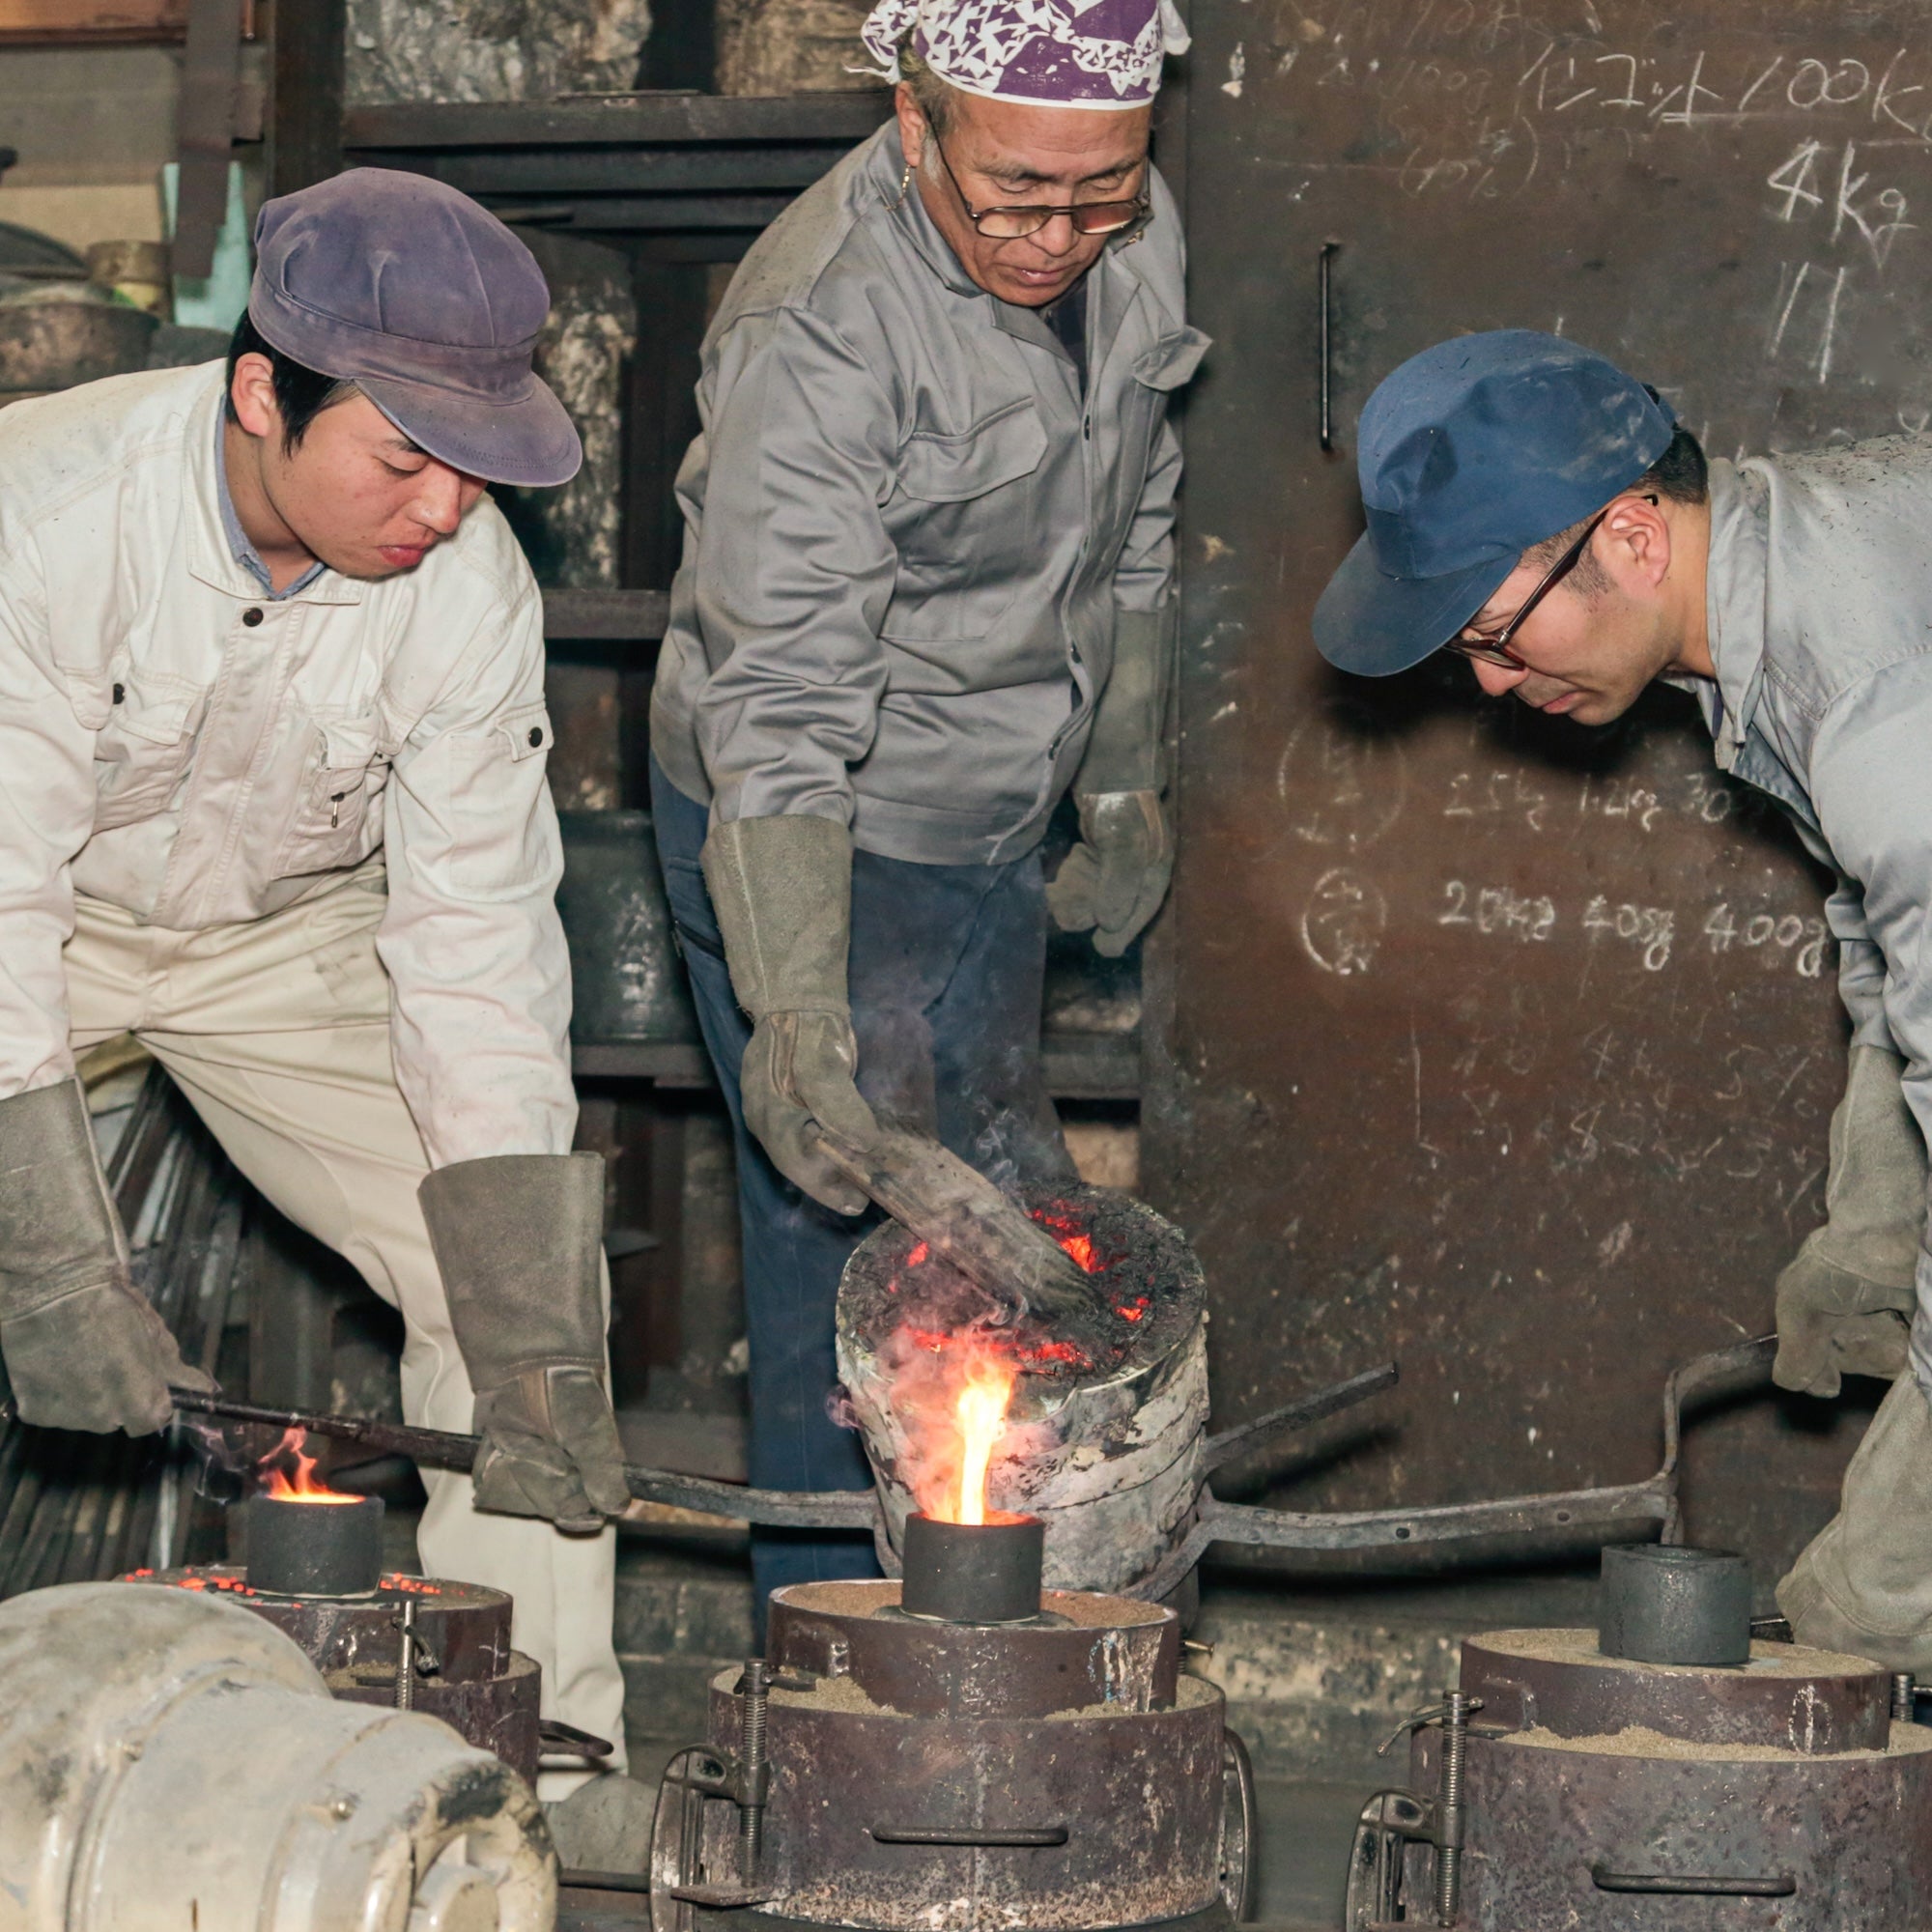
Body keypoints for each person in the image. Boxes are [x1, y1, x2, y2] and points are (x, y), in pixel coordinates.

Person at [0, 167, 630, 1795]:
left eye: (478, 470)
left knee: (506, 1298)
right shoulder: (45, 517)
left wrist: (531, 1313)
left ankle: (528, 1771)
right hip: (36, 919)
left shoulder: (466, 586)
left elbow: (479, 936)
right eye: (404, 457)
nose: (442, 510)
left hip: (279, 937)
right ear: (262, 394)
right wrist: (60, 1273)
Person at [649, 0, 1207, 1610]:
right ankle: (829, 1666)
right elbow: (780, 696)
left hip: (989, 821)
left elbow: (1136, 505)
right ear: (913, 124)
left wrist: (1120, 764)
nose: (1060, 234)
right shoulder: (819, 330)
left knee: (1022, 1221)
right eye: (1015, 193)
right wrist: (798, 1007)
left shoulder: (1124, 222)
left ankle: (1031, 1621)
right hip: (818, 828)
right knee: (859, 1260)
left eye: (1101, 190)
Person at [1311, 327, 1932, 1666]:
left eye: (1495, 633)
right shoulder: (1782, 569)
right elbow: (1882, 927)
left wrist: (1901, 1561)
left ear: (1634, 540)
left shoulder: (1881, 710)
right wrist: (1881, 1211)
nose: (1485, 681)